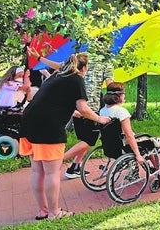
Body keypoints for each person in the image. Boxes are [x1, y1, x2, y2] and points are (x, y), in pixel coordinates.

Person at [18, 53, 111, 221]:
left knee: (37, 170)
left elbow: (53, 101)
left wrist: (71, 112)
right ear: (84, 68)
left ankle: (43, 211)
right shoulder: (77, 78)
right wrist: (99, 118)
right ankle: (54, 213)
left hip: (29, 121)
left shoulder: (58, 75)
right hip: (48, 127)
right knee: (53, 172)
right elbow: (83, 107)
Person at [27, 46, 114, 179]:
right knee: (89, 141)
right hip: (89, 108)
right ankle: (60, 160)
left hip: (72, 107)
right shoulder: (106, 63)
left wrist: (39, 58)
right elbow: (110, 85)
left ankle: (75, 167)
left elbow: (58, 66)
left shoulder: (77, 60)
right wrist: (117, 93)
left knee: (84, 139)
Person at [99, 82, 145, 164]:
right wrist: (138, 155)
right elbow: (129, 135)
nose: (125, 96)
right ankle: (159, 169)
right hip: (124, 145)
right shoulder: (121, 112)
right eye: (124, 94)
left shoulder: (102, 111)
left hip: (110, 145)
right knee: (155, 142)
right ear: (119, 96)